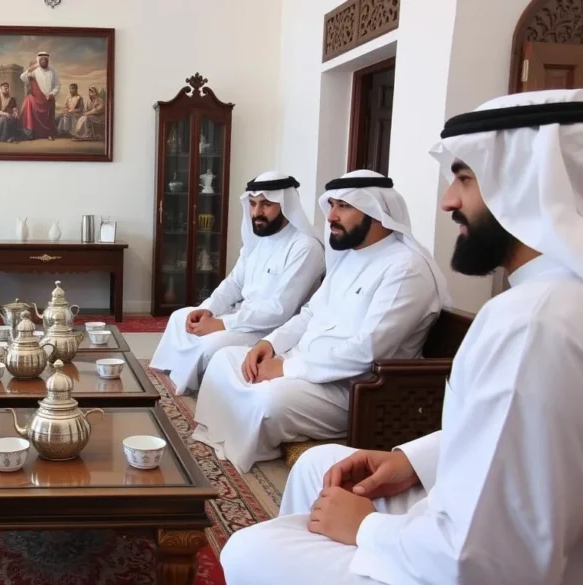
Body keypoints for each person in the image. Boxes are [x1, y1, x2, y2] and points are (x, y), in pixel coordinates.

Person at [219, 89, 583, 585]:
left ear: (529, 184)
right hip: (461, 518)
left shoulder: (531, 320)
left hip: (455, 544)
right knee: (317, 468)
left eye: (464, 179)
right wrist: (411, 459)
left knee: (247, 550)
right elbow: (507, 444)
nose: (449, 201)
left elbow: (486, 558)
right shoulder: (542, 302)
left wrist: (367, 530)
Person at [193, 170, 448, 473]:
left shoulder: (407, 269)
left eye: (344, 206)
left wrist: (286, 369)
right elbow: (310, 314)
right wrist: (269, 345)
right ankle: (230, 435)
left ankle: (247, 442)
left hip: (353, 386)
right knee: (225, 361)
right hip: (304, 363)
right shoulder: (351, 257)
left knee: (267, 400)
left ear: (376, 211)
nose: (331, 217)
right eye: (332, 206)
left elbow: (367, 351)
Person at [150, 171, 324, 395]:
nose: (257, 212)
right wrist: (208, 309)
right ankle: (174, 380)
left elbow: (280, 310)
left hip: (271, 328)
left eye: (266, 205)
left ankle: (199, 392)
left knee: (209, 345)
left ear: (285, 205)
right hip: (242, 316)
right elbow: (233, 283)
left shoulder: (305, 247)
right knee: (179, 318)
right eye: (252, 204)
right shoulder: (258, 241)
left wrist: (222, 324)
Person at [19, 51, 60, 141]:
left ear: (48, 60)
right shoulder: (34, 72)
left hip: (48, 99)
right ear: (39, 60)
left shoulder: (53, 72)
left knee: (49, 119)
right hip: (37, 99)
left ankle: (49, 134)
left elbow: (57, 86)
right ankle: (32, 134)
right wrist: (31, 69)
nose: (44, 61)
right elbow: (22, 77)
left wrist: (52, 93)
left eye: (45, 60)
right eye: (42, 60)